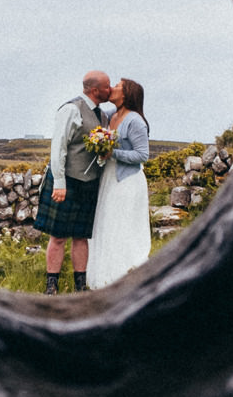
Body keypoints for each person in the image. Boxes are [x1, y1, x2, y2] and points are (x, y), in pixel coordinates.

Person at [33, 70, 113, 294]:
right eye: (108, 86)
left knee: (81, 235)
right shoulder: (71, 109)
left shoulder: (103, 116)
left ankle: (80, 286)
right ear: (95, 90)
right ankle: (52, 285)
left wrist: (103, 156)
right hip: (66, 180)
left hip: (89, 182)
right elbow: (58, 146)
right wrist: (59, 182)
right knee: (58, 236)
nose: (111, 89)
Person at [86, 78, 153, 288]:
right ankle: (105, 275)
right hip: (109, 178)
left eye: (117, 86)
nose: (112, 88)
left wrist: (112, 153)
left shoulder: (135, 121)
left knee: (123, 225)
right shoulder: (110, 117)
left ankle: (126, 273)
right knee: (107, 223)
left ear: (126, 94)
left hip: (127, 180)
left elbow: (143, 155)